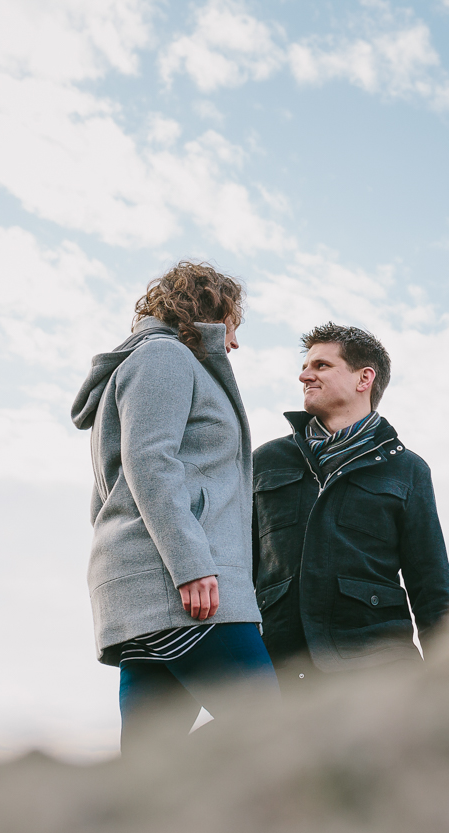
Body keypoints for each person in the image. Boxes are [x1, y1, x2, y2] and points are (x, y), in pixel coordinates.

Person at [71, 261, 279, 751]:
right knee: (272, 728)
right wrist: (191, 566)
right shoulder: (165, 358)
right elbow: (149, 462)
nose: (233, 343)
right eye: (233, 326)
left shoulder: (149, 361)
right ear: (212, 311)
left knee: (146, 765)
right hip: (187, 588)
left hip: (148, 591)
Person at [251, 323, 449, 687]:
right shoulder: (266, 460)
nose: (304, 376)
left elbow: (432, 590)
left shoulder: (407, 469)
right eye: (305, 366)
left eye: (321, 366)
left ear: (364, 378)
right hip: (281, 673)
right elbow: (237, 568)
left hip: (381, 672)